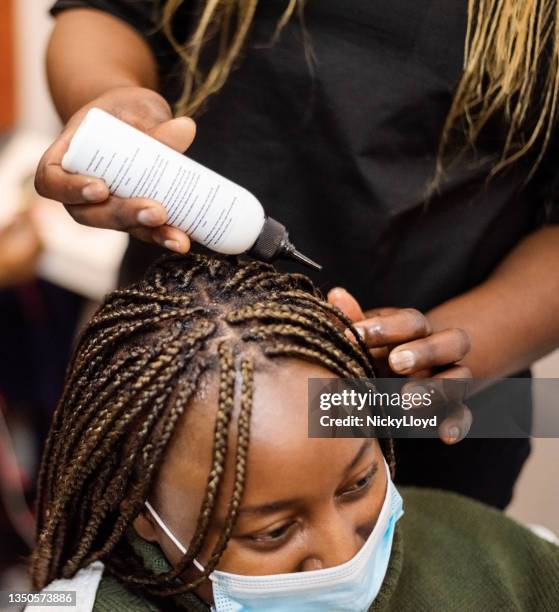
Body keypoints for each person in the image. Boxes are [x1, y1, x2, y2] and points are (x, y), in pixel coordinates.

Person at [36, 1, 559, 509]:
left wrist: (455, 351)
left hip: (438, 414)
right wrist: (110, 102)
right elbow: (108, 12)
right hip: (173, 383)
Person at [29, 254, 559, 612]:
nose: (342, 554)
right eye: (273, 532)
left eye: (357, 484)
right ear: (144, 513)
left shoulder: (505, 565)